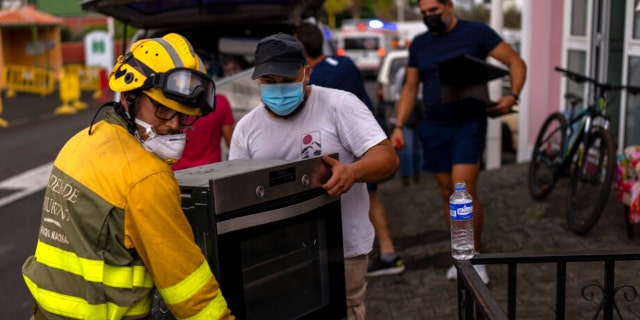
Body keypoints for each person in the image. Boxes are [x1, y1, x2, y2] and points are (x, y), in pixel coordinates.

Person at [22, 33, 234, 320]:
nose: (173, 126)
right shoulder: (146, 178)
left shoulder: (81, 142)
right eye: (162, 110)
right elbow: (191, 294)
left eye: (184, 116)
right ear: (129, 97)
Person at [229, 32, 399, 320]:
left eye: (287, 80)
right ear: (257, 80)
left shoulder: (339, 105)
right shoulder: (246, 129)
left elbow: (387, 157)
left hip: (341, 250)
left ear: (306, 72)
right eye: (270, 82)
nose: (278, 89)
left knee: (343, 313)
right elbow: (237, 193)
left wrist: (353, 172)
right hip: (279, 257)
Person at [390, 0, 526, 285]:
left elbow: (515, 61)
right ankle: (460, 255)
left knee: (463, 190)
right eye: (424, 13)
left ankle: (475, 257)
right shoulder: (420, 44)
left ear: (449, 6)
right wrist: (399, 126)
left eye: (434, 11)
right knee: (446, 192)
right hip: (434, 126)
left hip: (468, 124)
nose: (429, 17)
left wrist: (512, 96)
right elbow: (411, 87)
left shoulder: (476, 32)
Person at [293, 22, 405, 277]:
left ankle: (372, 256)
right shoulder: (342, 64)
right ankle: (389, 253)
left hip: (353, 150)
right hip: (369, 141)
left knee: (357, 202)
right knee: (371, 199)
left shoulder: (317, 80)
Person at [172, 93, 235, 170]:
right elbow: (232, 145)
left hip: (179, 174)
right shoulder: (219, 101)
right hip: (212, 172)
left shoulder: (172, 102)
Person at [393, 64, 424, 186]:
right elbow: (397, 93)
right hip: (407, 113)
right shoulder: (402, 72)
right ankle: (407, 175)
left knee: (418, 146)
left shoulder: (422, 69)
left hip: (419, 112)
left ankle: (417, 173)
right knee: (407, 146)